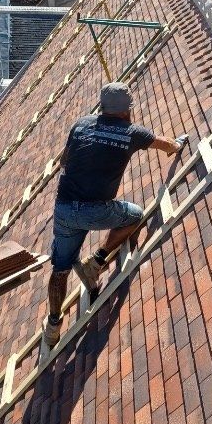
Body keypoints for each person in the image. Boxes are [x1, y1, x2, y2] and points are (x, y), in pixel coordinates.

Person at [42, 82, 183, 349]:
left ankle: (53, 324)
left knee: (60, 269)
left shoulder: (81, 124)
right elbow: (164, 145)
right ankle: (97, 261)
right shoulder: (133, 133)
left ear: (102, 107)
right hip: (96, 211)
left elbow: (64, 162)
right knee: (134, 215)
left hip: (64, 209)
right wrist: (177, 145)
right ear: (127, 110)